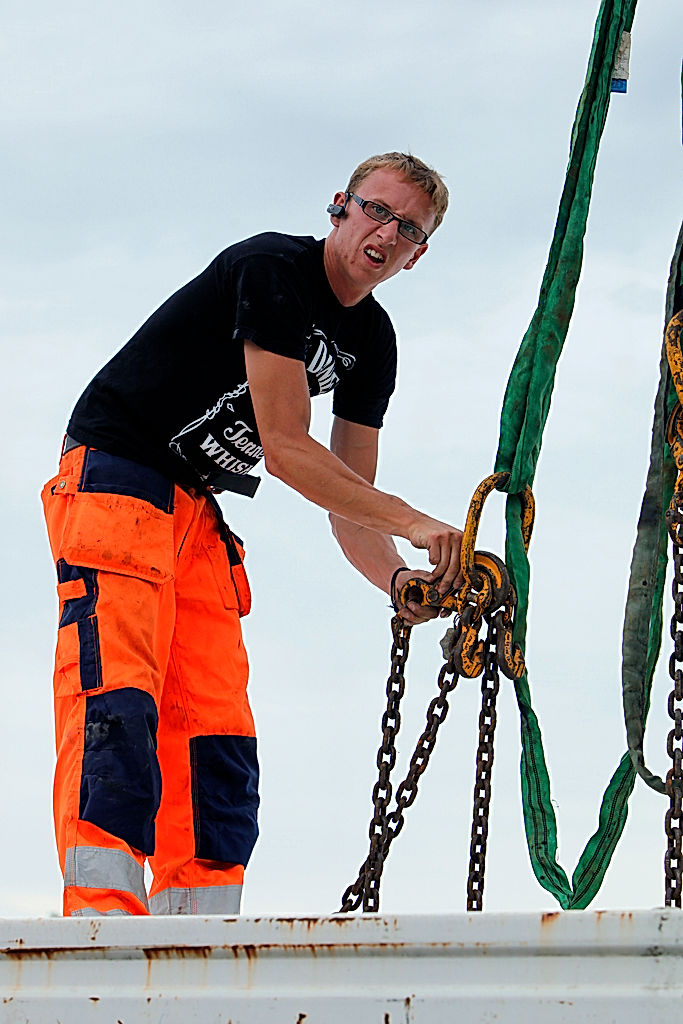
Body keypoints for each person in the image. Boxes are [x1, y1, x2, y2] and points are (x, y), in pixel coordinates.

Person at [41, 151, 463, 918]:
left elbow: (350, 497)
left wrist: (398, 579)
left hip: (194, 505)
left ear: (417, 255)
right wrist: (413, 521)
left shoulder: (372, 341)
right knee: (120, 701)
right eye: (375, 210)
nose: (385, 232)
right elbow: (287, 449)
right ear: (339, 206)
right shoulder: (272, 269)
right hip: (119, 473)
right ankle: (99, 926)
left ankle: (199, 935)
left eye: (407, 228)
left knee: (215, 727)